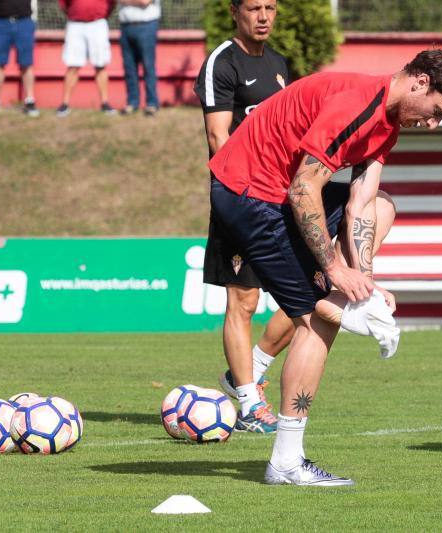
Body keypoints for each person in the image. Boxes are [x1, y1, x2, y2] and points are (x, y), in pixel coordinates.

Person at [208, 49, 442, 485]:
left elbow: (362, 204)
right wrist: (335, 269)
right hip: (248, 193)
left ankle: (349, 307)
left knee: (384, 205)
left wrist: (363, 281)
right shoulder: (358, 103)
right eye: (436, 113)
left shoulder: (387, 127)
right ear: (420, 83)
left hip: (274, 194)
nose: (432, 125)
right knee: (318, 321)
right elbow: (302, 190)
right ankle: (286, 463)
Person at [195, 0, 293, 435]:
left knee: (313, 296)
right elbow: (219, 137)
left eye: (270, 7)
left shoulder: (279, 65)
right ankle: (251, 404)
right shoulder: (222, 61)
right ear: (235, 11)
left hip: (285, 197)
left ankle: (247, 370)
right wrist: (251, 194)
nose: (264, 16)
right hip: (243, 198)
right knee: (244, 301)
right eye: (254, 7)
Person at [56, 0, 117, 116]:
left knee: (100, 65)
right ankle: (65, 104)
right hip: (75, 24)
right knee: (72, 65)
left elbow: (112, 4)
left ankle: (105, 103)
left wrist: (101, 14)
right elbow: (64, 5)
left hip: (98, 24)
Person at [0, 0, 39, 117]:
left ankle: (30, 101)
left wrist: (34, 20)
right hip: (0, 22)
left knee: (26, 63)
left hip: (24, 21)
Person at [117, 0, 160, 116]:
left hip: (146, 25)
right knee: (129, 67)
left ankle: (151, 103)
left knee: (148, 66)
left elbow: (144, 1)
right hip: (126, 26)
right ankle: (132, 102)